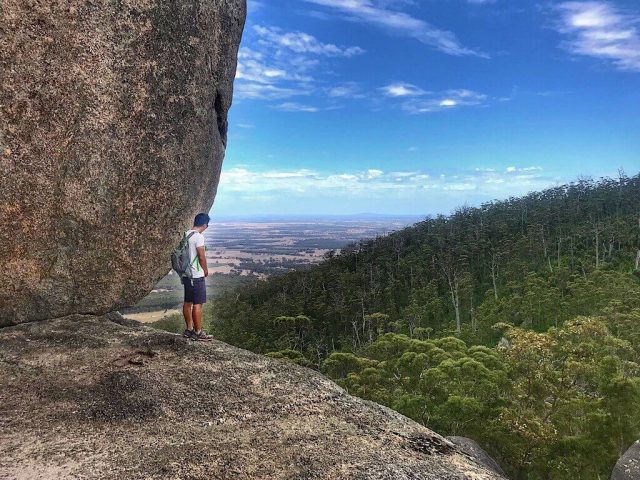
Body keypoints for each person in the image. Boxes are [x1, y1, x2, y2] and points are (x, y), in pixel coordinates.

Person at [182, 213, 213, 341]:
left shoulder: (185, 234)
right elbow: (201, 256)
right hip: (196, 275)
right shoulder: (198, 237)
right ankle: (198, 332)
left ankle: (189, 330)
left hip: (186, 274)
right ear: (205, 224)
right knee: (198, 304)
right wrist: (205, 270)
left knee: (187, 302)